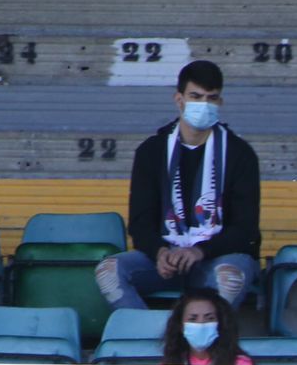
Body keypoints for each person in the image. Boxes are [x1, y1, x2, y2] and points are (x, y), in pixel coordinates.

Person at [100, 59, 262, 312]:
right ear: (179, 99)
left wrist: (200, 251)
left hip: (216, 259)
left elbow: (245, 229)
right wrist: (159, 252)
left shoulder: (240, 154)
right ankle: (144, 341)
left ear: (220, 103)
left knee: (229, 276)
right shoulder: (151, 151)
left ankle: (207, 347)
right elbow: (140, 222)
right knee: (109, 271)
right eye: (195, 96)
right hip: (166, 258)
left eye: (211, 98)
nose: (203, 105)